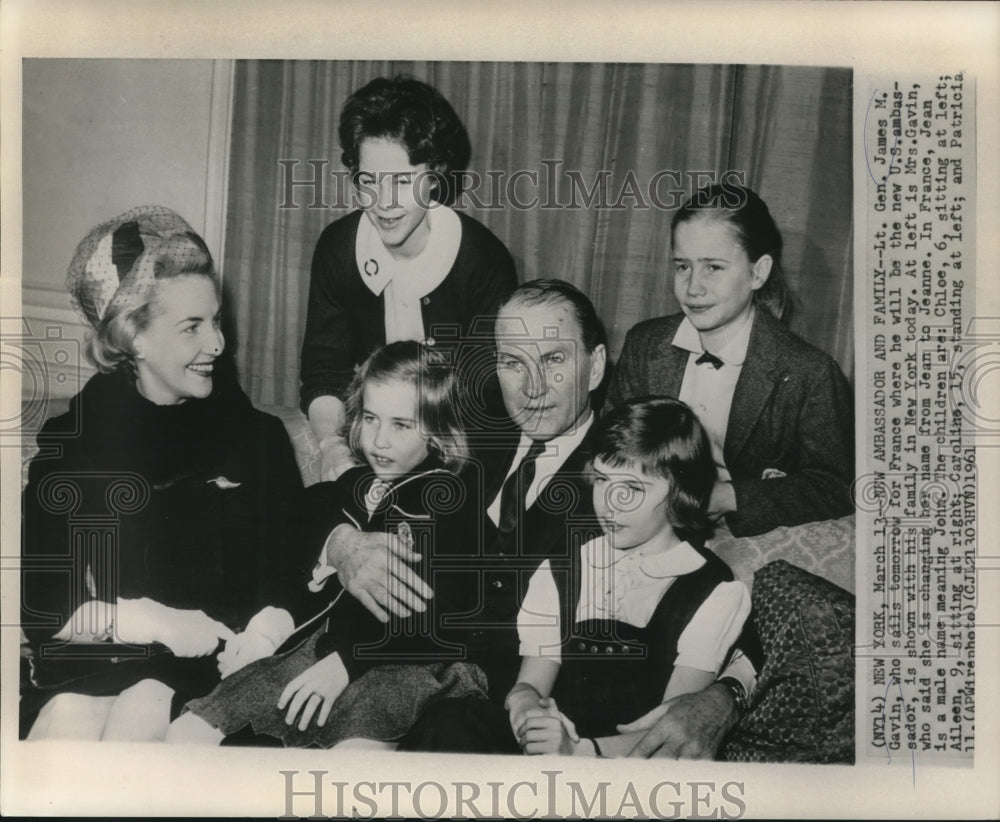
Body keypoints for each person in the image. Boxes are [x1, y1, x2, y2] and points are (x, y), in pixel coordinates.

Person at [20, 206, 305, 742]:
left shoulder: (256, 437)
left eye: (216, 320)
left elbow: (292, 571)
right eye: (192, 327)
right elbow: (44, 608)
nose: (218, 344)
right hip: (97, 664)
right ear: (134, 339)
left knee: (144, 710)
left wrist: (268, 630)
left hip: (215, 676)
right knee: (67, 723)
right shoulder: (73, 447)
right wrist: (154, 621)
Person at [165, 340, 489, 747]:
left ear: (439, 432)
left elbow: (444, 616)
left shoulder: (449, 501)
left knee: (350, 768)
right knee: (188, 732)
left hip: (403, 664)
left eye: (401, 425)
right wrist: (267, 630)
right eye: (370, 418)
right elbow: (306, 512)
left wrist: (345, 663)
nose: (379, 440)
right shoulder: (358, 483)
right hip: (322, 650)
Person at [300, 75, 518, 482]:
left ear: (434, 174)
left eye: (402, 181)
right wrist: (333, 449)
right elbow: (323, 372)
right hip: (367, 446)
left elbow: (485, 400)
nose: (383, 204)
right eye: (368, 181)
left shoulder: (482, 260)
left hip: (460, 454)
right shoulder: (337, 248)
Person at [604, 183, 854, 537]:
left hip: (746, 538)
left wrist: (729, 497)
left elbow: (835, 488)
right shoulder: (645, 344)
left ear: (758, 272)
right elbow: (609, 446)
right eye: (682, 266)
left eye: (713, 268)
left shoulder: (808, 373)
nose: (692, 288)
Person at [509, 397, 751, 758]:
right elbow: (530, 683)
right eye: (603, 480)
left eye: (634, 488)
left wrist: (577, 753)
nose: (611, 503)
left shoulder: (713, 590)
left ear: (679, 493)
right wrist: (527, 710)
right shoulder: (559, 570)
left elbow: (670, 735)